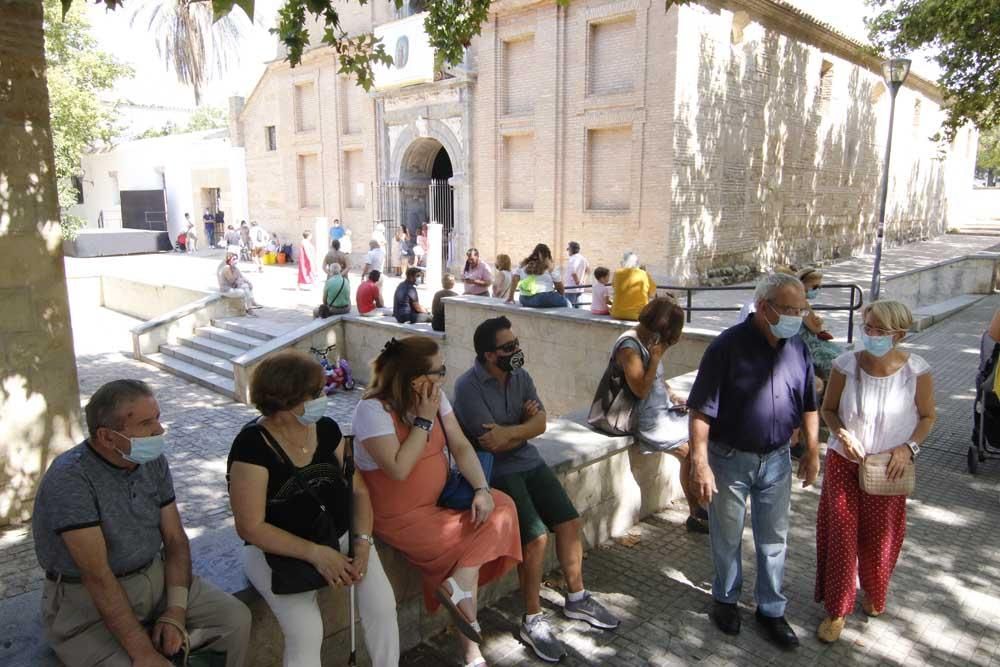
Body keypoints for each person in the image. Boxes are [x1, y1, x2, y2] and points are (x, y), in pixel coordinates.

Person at [32, 379, 252, 667]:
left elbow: (175, 539)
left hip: (154, 577)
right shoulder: (70, 479)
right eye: (147, 423)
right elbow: (97, 575)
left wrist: (175, 611)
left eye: (158, 418)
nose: (159, 430)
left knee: (235, 619)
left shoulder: (152, 462)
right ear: (107, 437)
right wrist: (143, 653)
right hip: (87, 604)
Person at [454, 317, 620, 662]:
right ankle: (532, 619)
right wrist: (524, 426)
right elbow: (492, 443)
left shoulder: (521, 377)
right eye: (508, 347)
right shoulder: (467, 388)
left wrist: (513, 430)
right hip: (497, 472)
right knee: (536, 537)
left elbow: (539, 423)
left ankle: (577, 599)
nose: (517, 351)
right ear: (488, 354)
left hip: (530, 462)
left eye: (516, 344)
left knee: (570, 521)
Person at [351, 336, 522, 667]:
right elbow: (399, 469)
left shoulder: (434, 397)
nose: (443, 376)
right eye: (438, 370)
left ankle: (457, 594)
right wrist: (424, 420)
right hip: (400, 517)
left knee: (501, 507)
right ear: (415, 378)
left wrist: (482, 489)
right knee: (467, 555)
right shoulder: (371, 410)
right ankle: (471, 649)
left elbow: (459, 446)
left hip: (441, 502)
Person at [228, 351, 400, 666]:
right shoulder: (252, 447)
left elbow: (359, 490)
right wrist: (317, 554)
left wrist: (362, 542)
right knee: (306, 632)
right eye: (315, 393)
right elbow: (250, 527)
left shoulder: (327, 429)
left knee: (382, 604)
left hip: (340, 533)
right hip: (278, 551)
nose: (323, 398)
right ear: (284, 403)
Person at [688, 272, 820, 648]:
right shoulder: (726, 348)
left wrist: (812, 451)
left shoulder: (797, 346)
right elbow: (700, 410)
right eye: (791, 309)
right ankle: (725, 600)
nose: (799, 316)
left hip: (777, 460)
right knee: (727, 536)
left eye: (802, 308)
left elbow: (809, 403)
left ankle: (771, 610)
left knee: (773, 539)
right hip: (729, 459)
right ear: (764, 307)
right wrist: (700, 463)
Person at [814, 301, 934, 643]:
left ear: (898, 334)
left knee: (880, 539)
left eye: (879, 330)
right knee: (841, 535)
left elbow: (927, 417)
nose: (871, 335)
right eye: (867, 327)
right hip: (844, 463)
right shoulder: (845, 365)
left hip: (889, 467)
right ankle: (837, 610)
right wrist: (841, 434)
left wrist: (908, 448)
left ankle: (874, 591)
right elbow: (830, 410)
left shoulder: (917, 371)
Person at [614, 298, 708, 533]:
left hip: (663, 411)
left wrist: (672, 395)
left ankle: (701, 509)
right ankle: (696, 514)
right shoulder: (629, 347)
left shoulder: (649, 341)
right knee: (690, 453)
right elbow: (641, 389)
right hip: (646, 420)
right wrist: (655, 358)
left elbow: (655, 381)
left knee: (704, 432)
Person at [507, 244, 569, 308]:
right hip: (542, 298)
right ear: (547, 255)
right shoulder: (549, 266)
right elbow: (559, 286)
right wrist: (561, 297)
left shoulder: (524, 264)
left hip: (524, 299)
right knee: (566, 302)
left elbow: (514, 279)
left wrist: (511, 297)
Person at [610, 252, 656, 320]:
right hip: (638, 315)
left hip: (617, 313)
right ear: (637, 262)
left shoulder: (617, 273)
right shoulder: (644, 274)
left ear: (623, 262)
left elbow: (614, 287)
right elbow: (652, 293)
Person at [218, 249, 263, 315]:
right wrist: (240, 281)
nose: (236, 261)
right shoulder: (226, 268)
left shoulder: (235, 268)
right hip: (226, 290)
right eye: (234, 259)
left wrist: (248, 282)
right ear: (229, 260)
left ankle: (250, 306)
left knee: (246, 286)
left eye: (236, 259)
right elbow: (232, 280)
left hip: (233, 287)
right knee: (243, 291)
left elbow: (242, 276)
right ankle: (250, 307)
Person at [563, 241, 589, 307]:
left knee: (570, 308)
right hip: (580, 288)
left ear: (571, 249)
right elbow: (587, 270)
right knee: (579, 308)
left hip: (571, 288)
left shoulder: (573, 259)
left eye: (568, 249)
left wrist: (577, 282)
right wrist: (583, 281)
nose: (568, 251)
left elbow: (573, 272)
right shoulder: (583, 258)